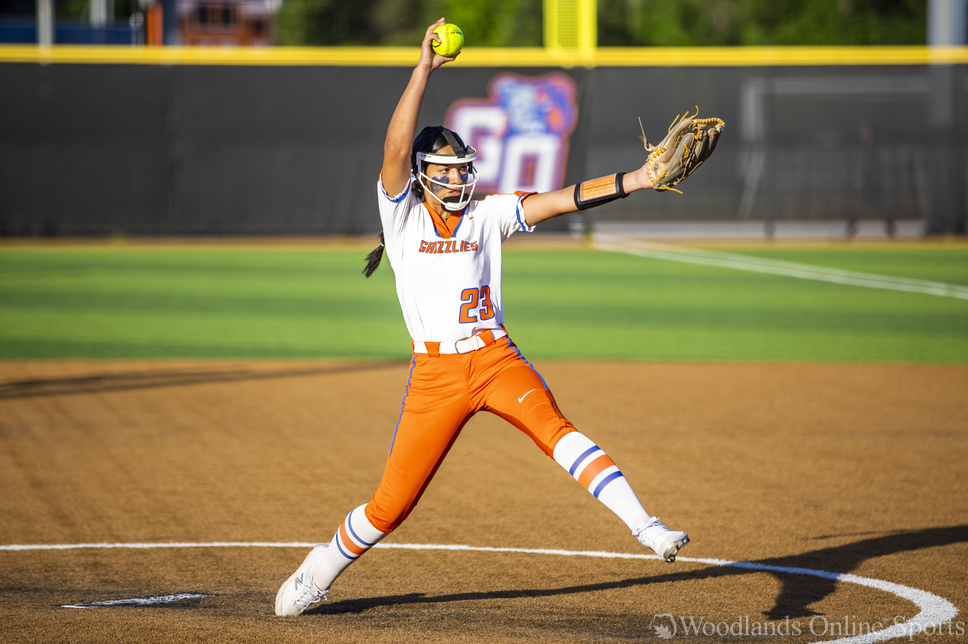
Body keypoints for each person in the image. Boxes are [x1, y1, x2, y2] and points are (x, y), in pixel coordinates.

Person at [275, 17, 689, 617]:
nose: (460, 177)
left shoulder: (486, 214)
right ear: (421, 175)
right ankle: (319, 570)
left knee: (558, 431)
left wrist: (640, 178)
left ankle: (646, 527)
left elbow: (562, 198)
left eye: (463, 168)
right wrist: (423, 69)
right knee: (390, 506)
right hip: (436, 377)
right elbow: (394, 148)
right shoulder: (404, 216)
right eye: (446, 170)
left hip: (495, 359)